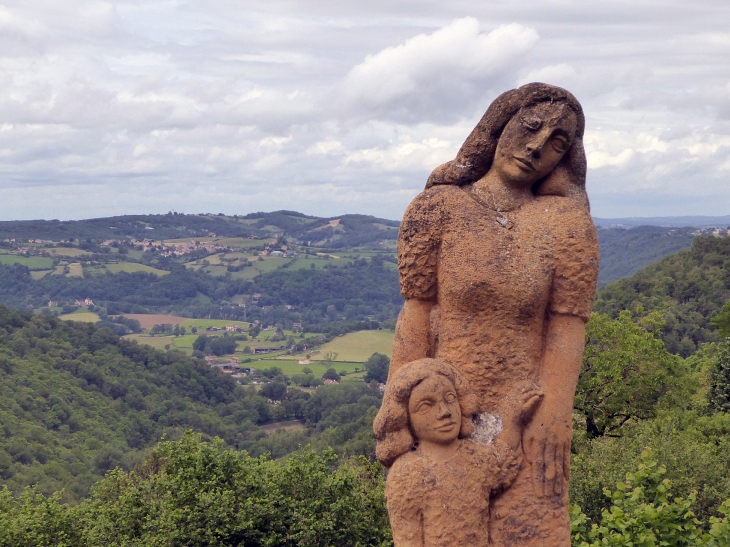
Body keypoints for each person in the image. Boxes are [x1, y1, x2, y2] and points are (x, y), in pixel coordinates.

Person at [389, 83, 599, 546]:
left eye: (557, 143)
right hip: (445, 411)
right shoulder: (437, 209)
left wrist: (556, 413)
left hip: (529, 409)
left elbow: (567, 324)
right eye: (529, 128)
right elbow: (417, 317)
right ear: (498, 126)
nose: (536, 147)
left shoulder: (565, 223)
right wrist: (399, 410)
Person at [374, 358, 542, 547]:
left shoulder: (474, 457)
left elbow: (502, 463)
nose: (444, 411)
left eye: (450, 398)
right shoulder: (405, 475)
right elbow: (407, 540)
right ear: (405, 417)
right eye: (426, 405)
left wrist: (515, 421)